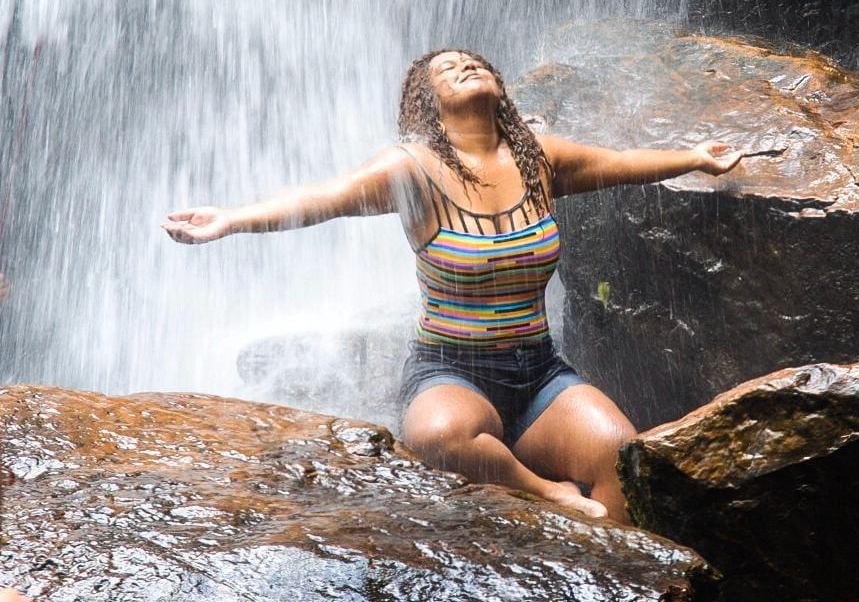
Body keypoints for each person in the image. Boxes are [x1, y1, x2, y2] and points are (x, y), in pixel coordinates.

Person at [163, 49, 741, 522]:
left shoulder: (538, 157)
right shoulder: (410, 170)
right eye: (448, 69)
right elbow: (324, 198)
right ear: (427, 102)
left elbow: (619, 161)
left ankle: (608, 572)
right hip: (450, 369)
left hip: (538, 371)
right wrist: (231, 220)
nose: (467, 66)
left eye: (475, 62)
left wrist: (695, 157)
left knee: (620, 459)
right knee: (439, 436)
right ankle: (545, 494)